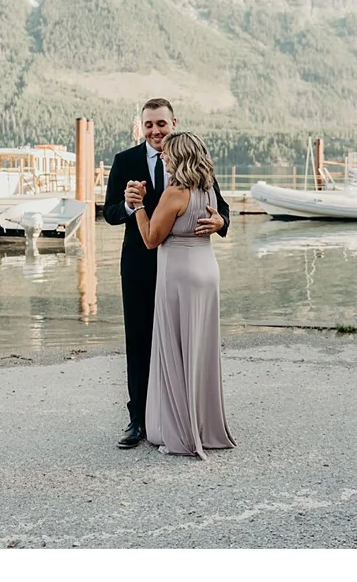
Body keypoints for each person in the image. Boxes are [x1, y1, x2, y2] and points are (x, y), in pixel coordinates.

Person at [102, 98, 230, 450]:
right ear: (141, 127)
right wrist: (129, 204)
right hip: (141, 269)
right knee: (140, 343)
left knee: (182, 341)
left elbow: (222, 210)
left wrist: (221, 222)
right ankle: (139, 419)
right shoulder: (124, 161)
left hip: (181, 269)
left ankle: (178, 415)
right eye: (149, 125)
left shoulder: (194, 167)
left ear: (174, 122)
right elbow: (109, 213)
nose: (155, 131)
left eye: (161, 124)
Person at [133, 129, 235, 459]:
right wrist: (220, 223)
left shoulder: (174, 193)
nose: (162, 155)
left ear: (178, 156)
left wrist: (137, 208)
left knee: (175, 347)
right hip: (206, 271)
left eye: (167, 153)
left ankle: (180, 432)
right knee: (199, 350)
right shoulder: (206, 189)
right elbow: (218, 219)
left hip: (179, 275)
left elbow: (151, 238)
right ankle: (203, 426)